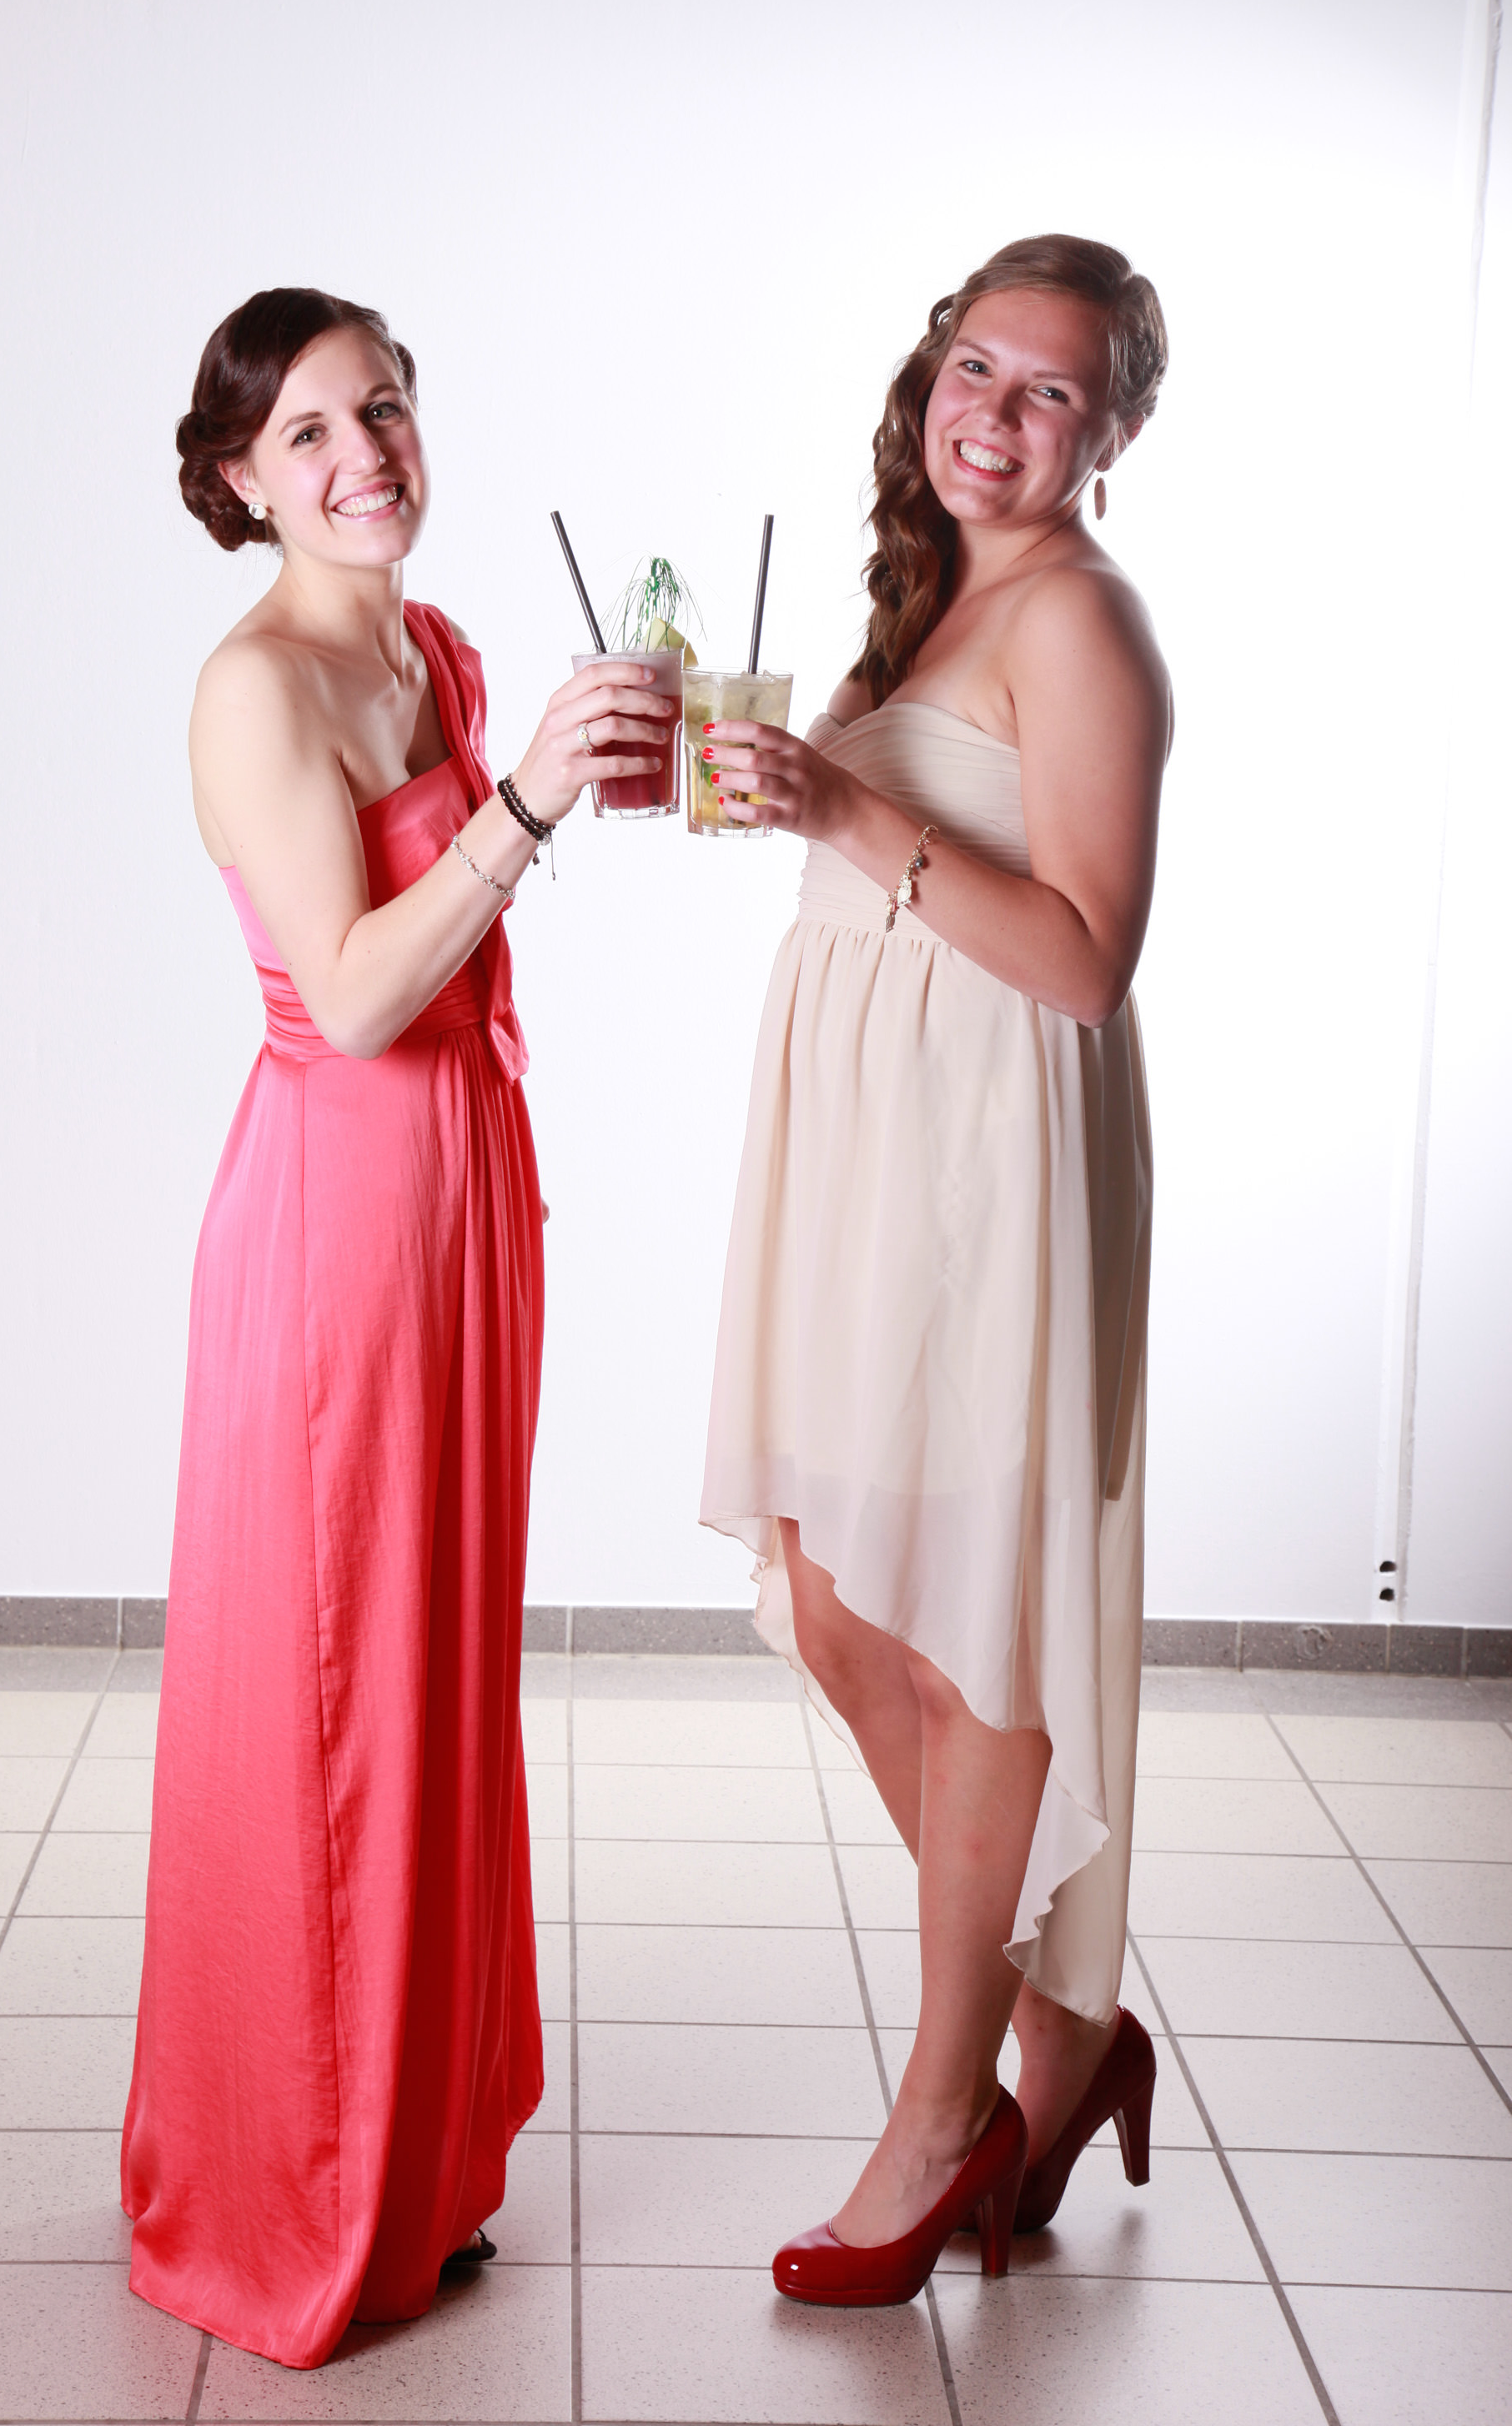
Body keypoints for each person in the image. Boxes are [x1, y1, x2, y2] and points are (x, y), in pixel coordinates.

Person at [120, 288, 673, 2368]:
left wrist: (581, 778)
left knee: (435, 1663)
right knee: (332, 1685)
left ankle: (419, 2153)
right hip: (338, 1223)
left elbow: (465, 929)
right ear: (240, 480)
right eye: (311, 433)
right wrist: (521, 808)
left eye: (386, 407)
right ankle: (292, 2180)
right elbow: (352, 995)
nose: (366, 454)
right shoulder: (253, 688)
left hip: (464, 1195)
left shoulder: (433, 648)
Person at [699, 236, 1170, 2303]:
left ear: (1114, 429)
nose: (995, 413)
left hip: (991, 1164)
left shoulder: (1080, 619)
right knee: (833, 1595)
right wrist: (775, 793)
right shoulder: (930, 590)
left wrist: (843, 809)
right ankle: (1058, 2025)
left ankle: (941, 2107)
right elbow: (883, 864)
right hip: (869, 1154)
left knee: (969, 1629)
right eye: (976, 366)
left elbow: (1081, 958)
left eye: (1049, 389)